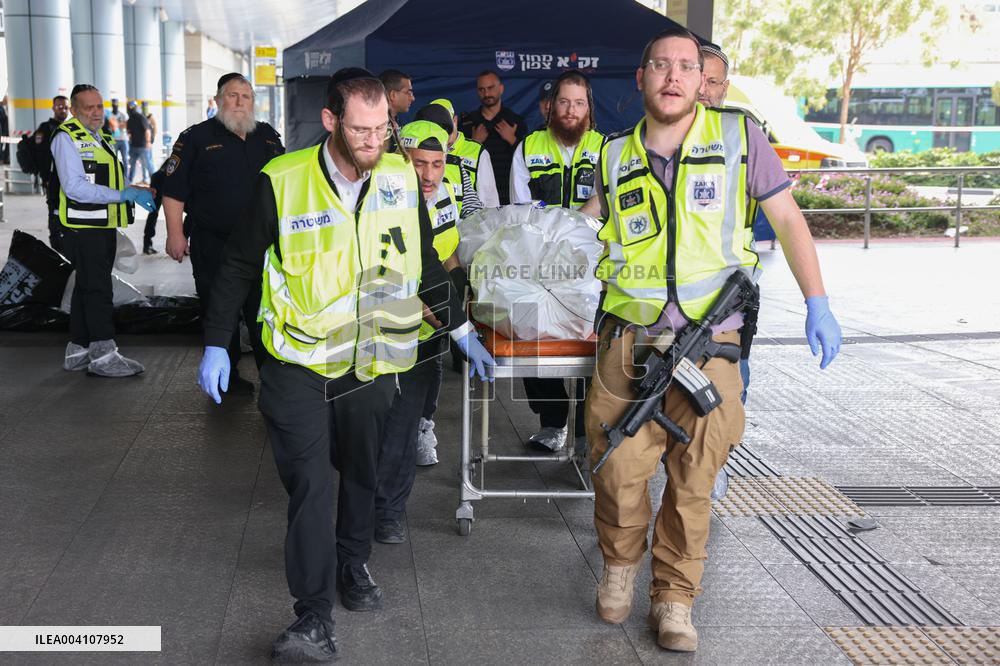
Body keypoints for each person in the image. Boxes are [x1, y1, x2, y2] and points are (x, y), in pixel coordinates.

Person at [195, 67, 494, 662]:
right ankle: (311, 616)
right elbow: (236, 266)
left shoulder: (400, 180)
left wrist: (460, 327)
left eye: (383, 128)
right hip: (298, 361)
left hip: (374, 359)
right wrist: (214, 341)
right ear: (331, 121)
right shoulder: (282, 181)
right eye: (361, 129)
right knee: (308, 483)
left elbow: (424, 267)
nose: (375, 141)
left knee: (362, 470)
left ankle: (353, 565)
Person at [581, 28, 842, 652]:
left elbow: (786, 216)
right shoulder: (613, 153)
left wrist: (819, 301)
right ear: (640, 78)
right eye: (660, 66)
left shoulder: (738, 137)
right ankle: (620, 568)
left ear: (703, 80)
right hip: (629, 340)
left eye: (686, 67)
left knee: (696, 476)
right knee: (615, 464)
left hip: (711, 343)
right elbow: (590, 229)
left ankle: (674, 599)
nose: (673, 76)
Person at [161, 72, 285, 390]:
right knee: (220, 311)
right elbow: (173, 190)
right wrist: (175, 234)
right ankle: (226, 380)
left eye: (246, 96)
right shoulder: (195, 138)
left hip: (262, 246)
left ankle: (272, 379)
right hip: (214, 243)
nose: (239, 102)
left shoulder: (268, 136)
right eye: (232, 95)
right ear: (217, 100)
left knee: (264, 312)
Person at [375, 118, 467, 540]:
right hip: (385, 327)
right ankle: (373, 507)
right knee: (383, 424)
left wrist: (459, 299)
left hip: (428, 332)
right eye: (419, 163)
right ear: (401, 159)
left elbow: (443, 256)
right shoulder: (382, 196)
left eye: (437, 164)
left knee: (407, 421)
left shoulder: (445, 191)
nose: (429, 175)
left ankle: (389, 511)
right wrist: (438, 313)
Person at [509, 70, 605, 454]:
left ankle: (584, 431)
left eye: (578, 103)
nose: (570, 110)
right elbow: (520, 209)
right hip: (540, 263)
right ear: (551, 106)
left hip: (592, 265)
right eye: (564, 102)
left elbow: (608, 202)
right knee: (534, 338)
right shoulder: (528, 146)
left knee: (590, 346)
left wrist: (574, 227)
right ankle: (551, 423)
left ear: (589, 108)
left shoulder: (607, 148)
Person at [50, 84, 156, 377]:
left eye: (100, 107)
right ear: (74, 110)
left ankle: (79, 350)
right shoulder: (66, 138)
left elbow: (109, 178)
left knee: (87, 285)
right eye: (89, 108)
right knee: (98, 288)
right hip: (83, 228)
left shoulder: (101, 136)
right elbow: (74, 187)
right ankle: (104, 354)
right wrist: (121, 196)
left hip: (101, 225)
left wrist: (132, 189)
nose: (97, 113)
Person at [417, 99, 500, 211]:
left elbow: (490, 202)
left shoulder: (476, 151)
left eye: (445, 125)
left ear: (455, 121)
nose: (443, 132)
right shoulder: (420, 151)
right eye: (437, 127)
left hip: (467, 224)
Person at [458, 70, 526, 205]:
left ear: (501, 88)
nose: (487, 93)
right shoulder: (468, 123)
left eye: (490, 88)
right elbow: (457, 161)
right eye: (481, 89)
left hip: (509, 192)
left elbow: (527, 161)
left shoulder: (514, 121)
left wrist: (512, 140)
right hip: (478, 193)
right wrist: (474, 144)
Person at [33, 95, 70, 254]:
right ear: (53, 108)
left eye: (65, 107)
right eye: (60, 107)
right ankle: (58, 252)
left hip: (71, 182)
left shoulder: (72, 127)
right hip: (53, 182)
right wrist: (45, 178)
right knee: (55, 216)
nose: (63, 110)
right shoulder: (45, 128)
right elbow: (39, 155)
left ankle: (69, 250)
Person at [379, 69, 414, 152]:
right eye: (408, 92)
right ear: (393, 95)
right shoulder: (376, 126)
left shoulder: (397, 122)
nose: (412, 98)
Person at [126, 100, 153, 183]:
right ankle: (129, 181)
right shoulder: (130, 119)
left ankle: (155, 181)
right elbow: (129, 132)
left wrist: (148, 142)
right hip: (134, 146)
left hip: (143, 146)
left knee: (148, 164)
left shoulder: (141, 117)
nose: (130, 109)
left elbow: (147, 130)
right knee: (132, 165)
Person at [106, 98, 129, 176]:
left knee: (125, 159)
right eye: (113, 105)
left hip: (123, 139)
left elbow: (125, 125)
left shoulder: (122, 114)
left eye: (116, 105)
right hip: (113, 140)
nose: (115, 106)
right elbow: (108, 126)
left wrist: (115, 125)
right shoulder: (109, 115)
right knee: (114, 159)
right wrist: (117, 125)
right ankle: (115, 176)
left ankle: (126, 177)